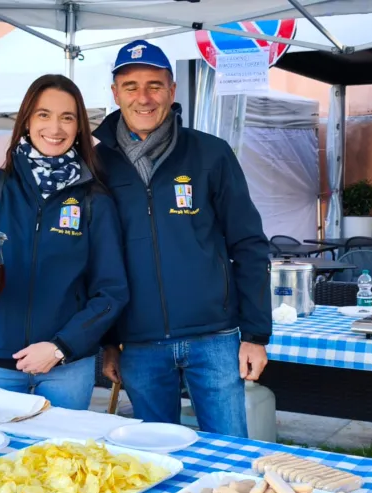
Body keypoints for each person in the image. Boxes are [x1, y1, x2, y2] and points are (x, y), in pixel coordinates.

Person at [95, 40, 272, 437]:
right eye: (131, 86)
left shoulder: (211, 154)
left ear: (172, 91)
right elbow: (98, 261)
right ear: (115, 94)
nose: (144, 97)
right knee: (157, 460)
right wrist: (109, 342)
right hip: (138, 344)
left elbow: (248, 244)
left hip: (215, 338)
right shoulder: (99, 165)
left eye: (155, 85)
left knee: (229, 456)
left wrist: (256, 335)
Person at [0, 74, 129, 411]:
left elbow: (112, 292)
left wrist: (59, 347)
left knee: (61, 460)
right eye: (44, 114)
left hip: (67, 367)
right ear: (26, 121)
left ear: (79, 126)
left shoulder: (94, 199)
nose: (56, 127)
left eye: (68, 117)